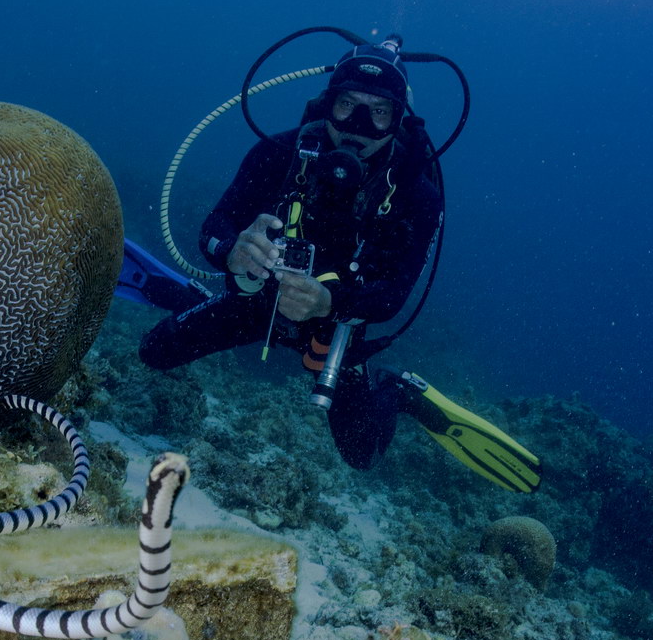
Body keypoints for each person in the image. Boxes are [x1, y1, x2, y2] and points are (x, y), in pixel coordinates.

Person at [137, 39, 541, 492]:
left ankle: (400, 392)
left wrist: (329, 301)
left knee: (361, 453)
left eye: (379, 112)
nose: (359, 126)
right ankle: (193, 297)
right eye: (347, 105)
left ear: (398, 119)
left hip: (336, 329)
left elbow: (394, 296)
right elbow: (215, 226)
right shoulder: (277, 153)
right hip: (259, 303)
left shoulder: (417, 196)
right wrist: (231, 251)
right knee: (153, 352)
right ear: (326, 103)